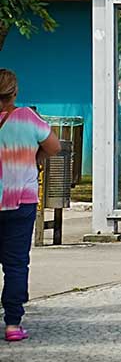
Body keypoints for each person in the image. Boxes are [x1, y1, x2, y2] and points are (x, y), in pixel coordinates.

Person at [0, 69, 61, 342]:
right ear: (14, 92)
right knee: (15, 265)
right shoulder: (27, 117)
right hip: (21, 202)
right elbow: (55, 147)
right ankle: (13, 325)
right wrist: (33, 154)